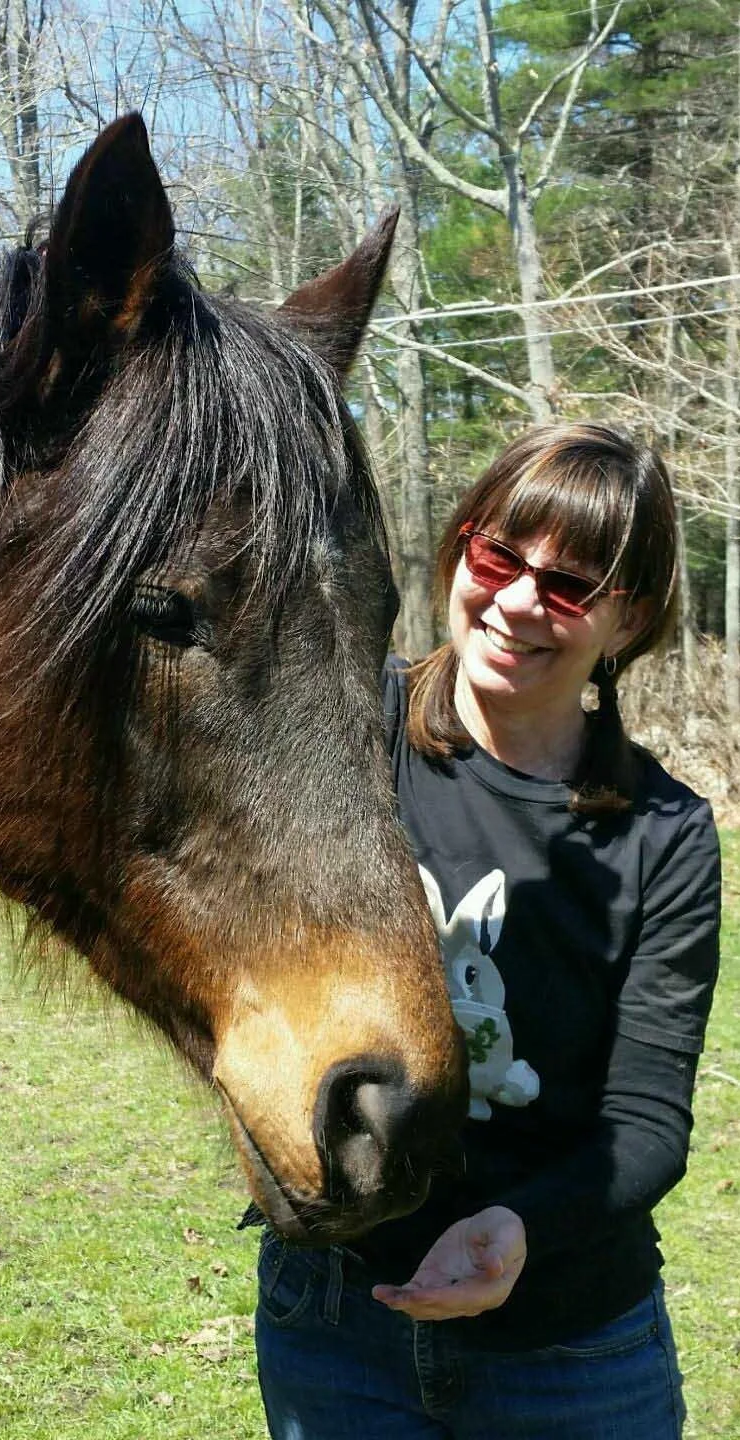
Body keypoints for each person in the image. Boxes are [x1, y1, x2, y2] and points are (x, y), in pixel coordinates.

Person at [254, 423, 721, 1439]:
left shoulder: (663, 834)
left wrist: (519, 1231)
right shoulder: (344, 732)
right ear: (461, 549)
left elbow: (645, 1121)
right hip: (334, 1320)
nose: (514, 602)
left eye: (568, 586)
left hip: (568, 1345)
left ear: (626, 617)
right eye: (497, 555)